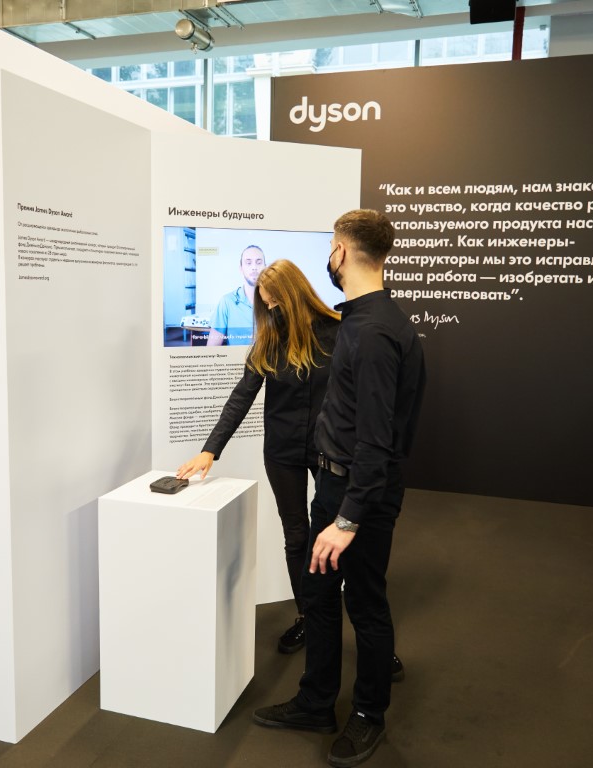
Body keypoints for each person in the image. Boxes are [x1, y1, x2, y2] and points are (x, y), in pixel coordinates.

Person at [252, 210, 426, 768]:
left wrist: (346, 520)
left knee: (366, 603)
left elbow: (378, 440)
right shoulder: (359, 320)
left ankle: (369, 714)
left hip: (359, 497)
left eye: (331, 246)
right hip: (334, 485)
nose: (330, 256)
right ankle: (315, 702)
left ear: (342, 253)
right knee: (321, 596)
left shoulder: (374, 332)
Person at [178, 258, 337, 652]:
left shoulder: (337, 330)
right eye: (266, 305)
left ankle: (349, 621)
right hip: (282, 452)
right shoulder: (269, 341)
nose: (271, 311)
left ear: (294, 295)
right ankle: (308, 616)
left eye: (275, 303)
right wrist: (210, 449)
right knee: (296, 534)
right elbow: (242, 396)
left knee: (333, 533)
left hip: (329, 450)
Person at [206, 244, 266, 347]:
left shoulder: (276, 302)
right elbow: (211, 348)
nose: (254, 267)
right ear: (241, 269)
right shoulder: (226, 302)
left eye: (259, 263)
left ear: (265, 267)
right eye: (248, 263)